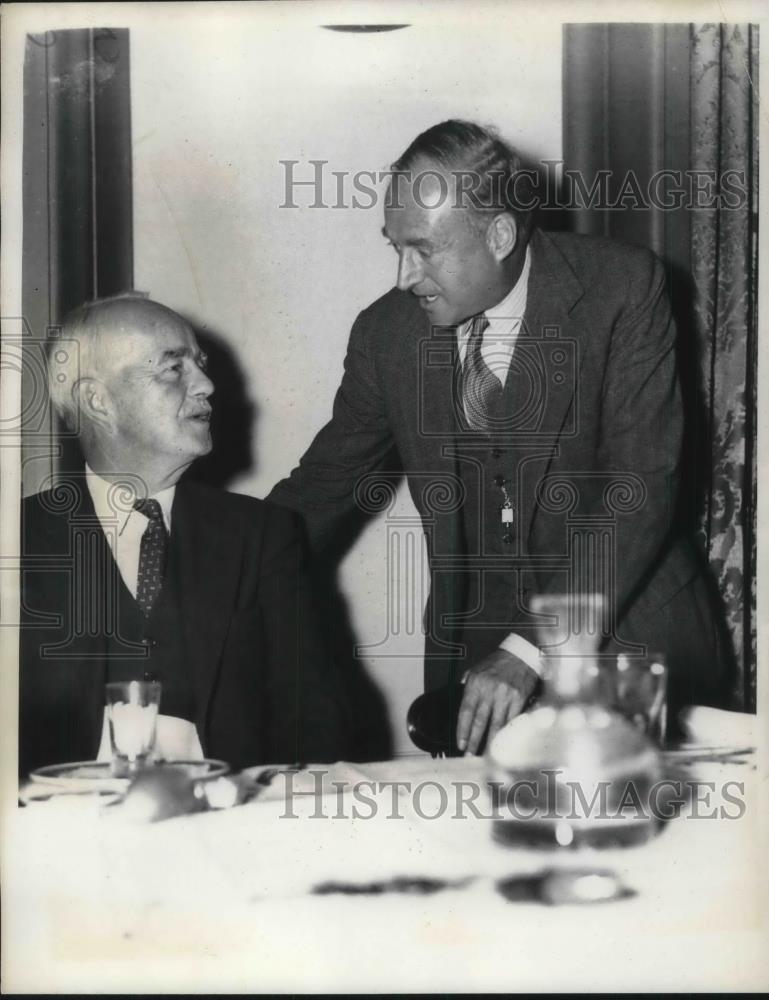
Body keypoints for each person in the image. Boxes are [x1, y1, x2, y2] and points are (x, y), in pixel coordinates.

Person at [269, 119, 726, 755]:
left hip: (633, 655)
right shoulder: (386, 334)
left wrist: (532, 646)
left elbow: (640, 488)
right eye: (395, 247)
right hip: (478, 684)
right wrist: (209, 571)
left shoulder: (622, 288)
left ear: (501, 234)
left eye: (425, 249)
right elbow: (323, 486)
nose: (405, 276)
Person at [19, 293, 348, 777]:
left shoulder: (263, 535)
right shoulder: (16, 542)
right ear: (97, 400)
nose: (207, 385)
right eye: (174, 369)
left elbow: (317, 727)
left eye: (201, 364)